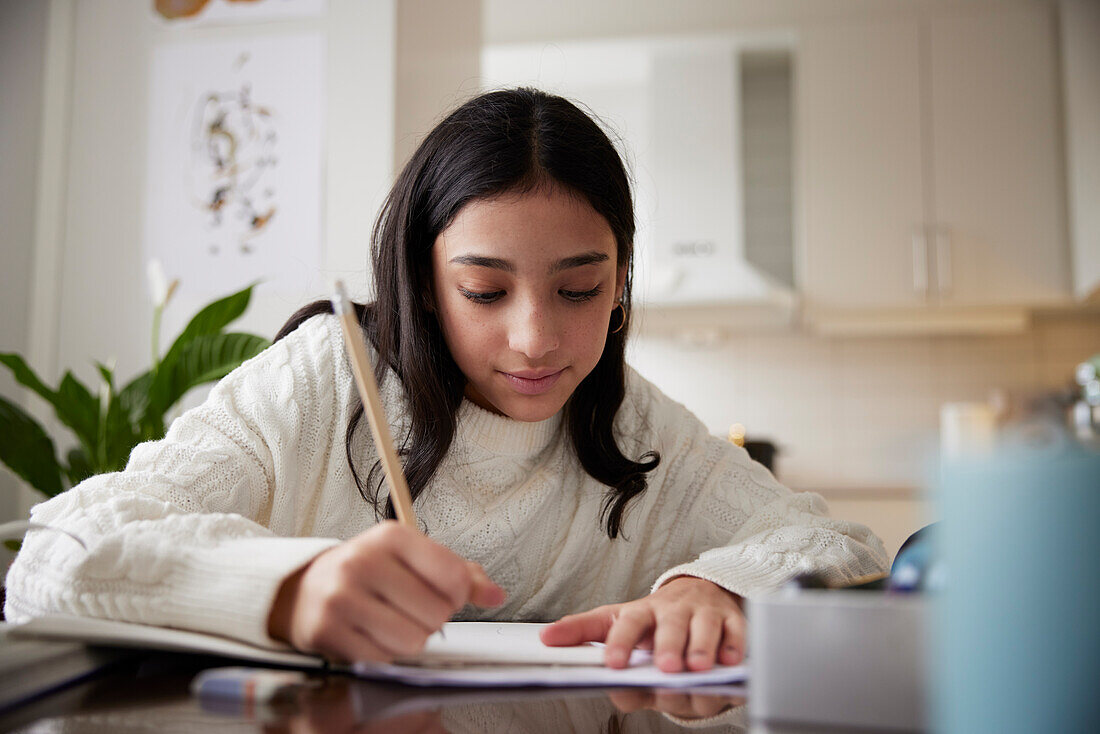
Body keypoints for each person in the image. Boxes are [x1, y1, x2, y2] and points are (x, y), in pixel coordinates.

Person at [4, 88, 887, 674]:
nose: (537, 338)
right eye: (484, 290)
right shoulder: (327, 377)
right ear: (426, 285)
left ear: (620, 281)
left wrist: (715, 588)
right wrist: (286, 589)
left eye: (580, 288)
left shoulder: (636, 427)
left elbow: (842, 547)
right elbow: (54, 558)